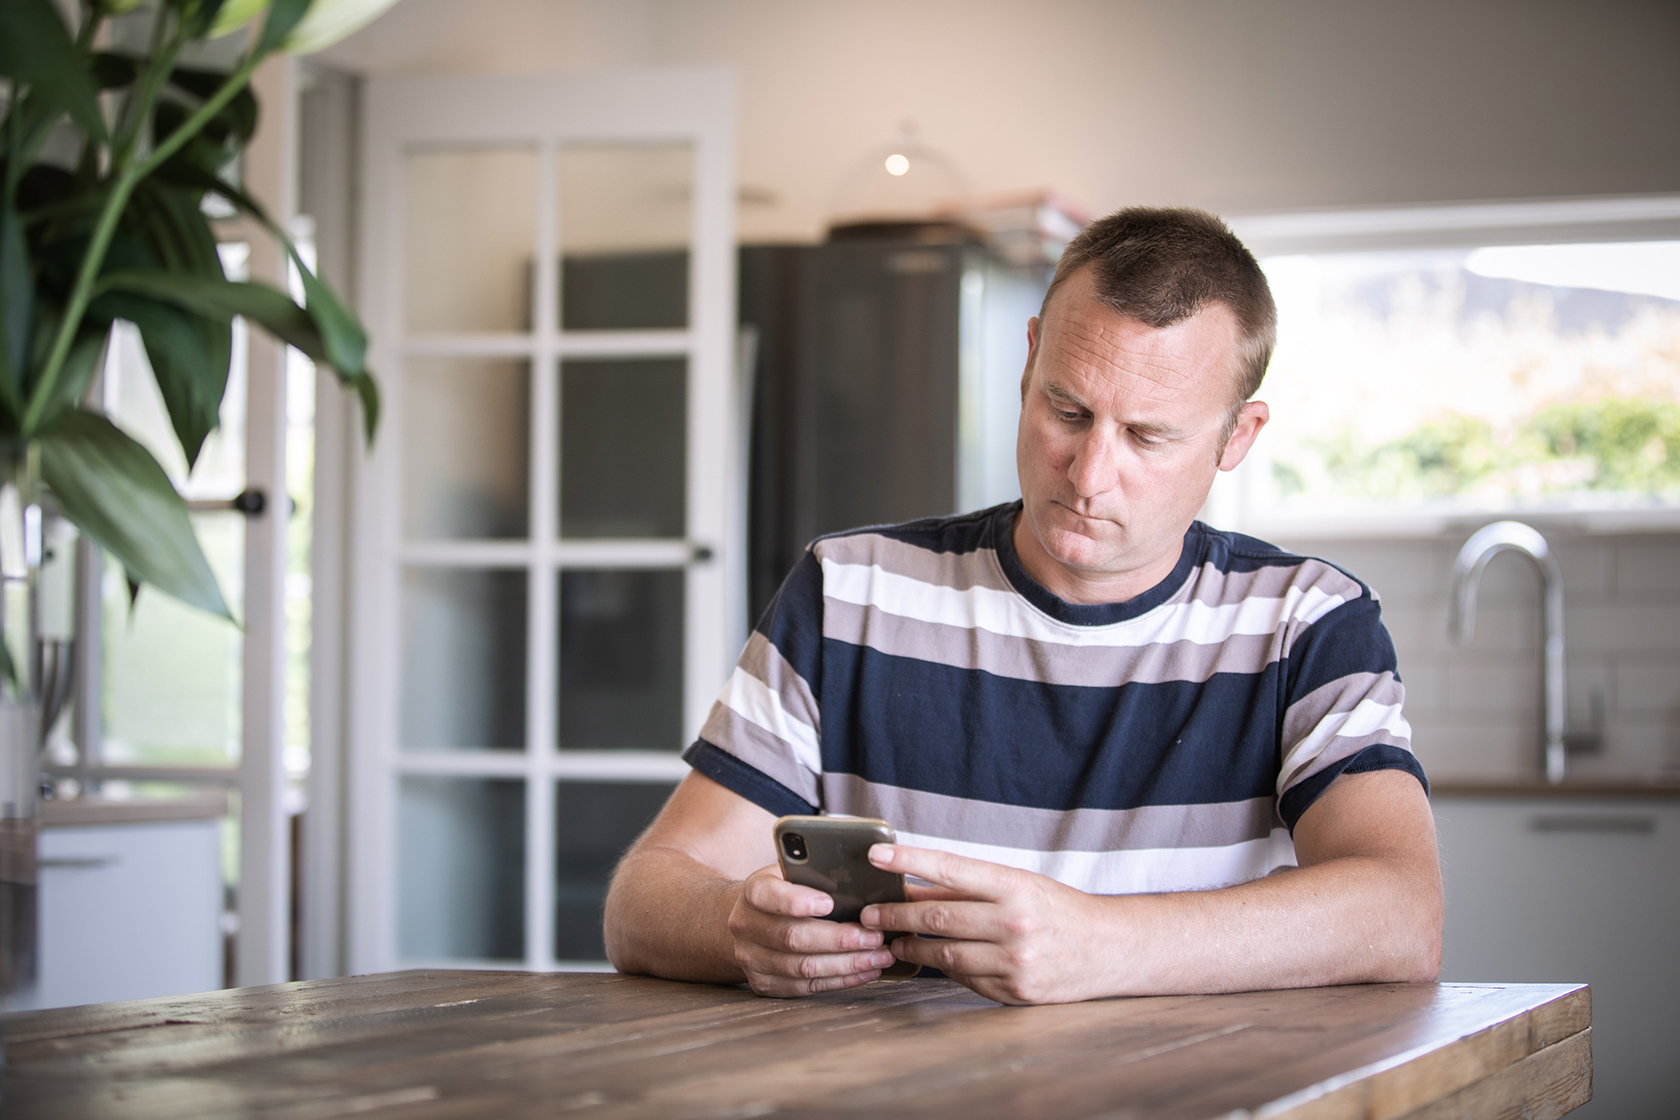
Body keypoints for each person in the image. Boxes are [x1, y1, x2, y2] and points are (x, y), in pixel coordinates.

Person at [603, 207, 1442, 1006]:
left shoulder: (1308, 622)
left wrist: (1104, 945)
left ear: (1239, 437)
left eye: (1148, 436)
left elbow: (1403, 915)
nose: (1087, 473)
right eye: (1066, 409)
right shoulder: (847, 590)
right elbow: (642, 901)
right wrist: (735, 927)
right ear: (1030, 359)